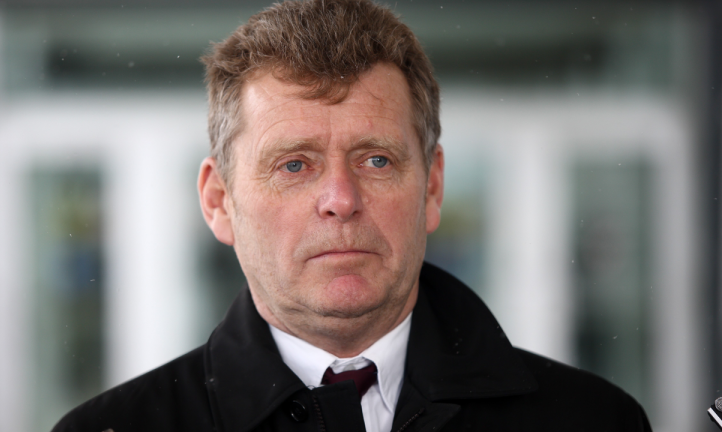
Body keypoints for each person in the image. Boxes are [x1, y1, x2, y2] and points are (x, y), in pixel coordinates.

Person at [53, 1, 652, 431]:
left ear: (432, 187)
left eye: (375, 159)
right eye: (293, 165)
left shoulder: (595, 420)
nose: (340, 197)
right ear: (219, 202)